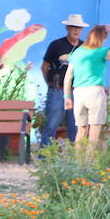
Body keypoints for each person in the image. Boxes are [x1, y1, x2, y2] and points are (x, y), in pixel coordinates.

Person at [64, 23, 110, 153]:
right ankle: (89, 162)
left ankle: (77, 163)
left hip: (78, 92)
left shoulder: (77, 53)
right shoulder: (101, 52)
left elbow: (68, 77)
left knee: (81, 130)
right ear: (102, 38)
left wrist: (67, 97)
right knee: (94, 129)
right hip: (94, 92)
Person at [39, 14, 87, 147]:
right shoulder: (56, 45)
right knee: (52, 124)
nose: (76, 31)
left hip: (77, 91)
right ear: (67, 28)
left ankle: (74, 158)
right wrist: (50, 83)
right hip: (58, 89)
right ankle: (45, 157)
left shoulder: (85, 47)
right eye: (73, 27)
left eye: (79, 28)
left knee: (76, 125)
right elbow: (44, 67)